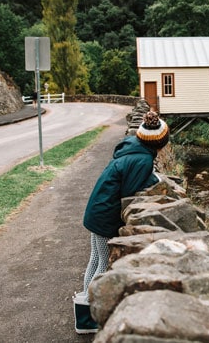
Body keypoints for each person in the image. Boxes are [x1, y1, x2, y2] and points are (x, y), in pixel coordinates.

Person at [74, 111, 169, 334]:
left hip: (97, 210)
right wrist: (154, 179)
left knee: (95, 259)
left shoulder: (132, 146)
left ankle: (85, 307)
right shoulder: (143, 159)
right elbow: (130, 191)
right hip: (105, 215)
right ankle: (86, 316)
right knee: (102, 262)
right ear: (160, 141)